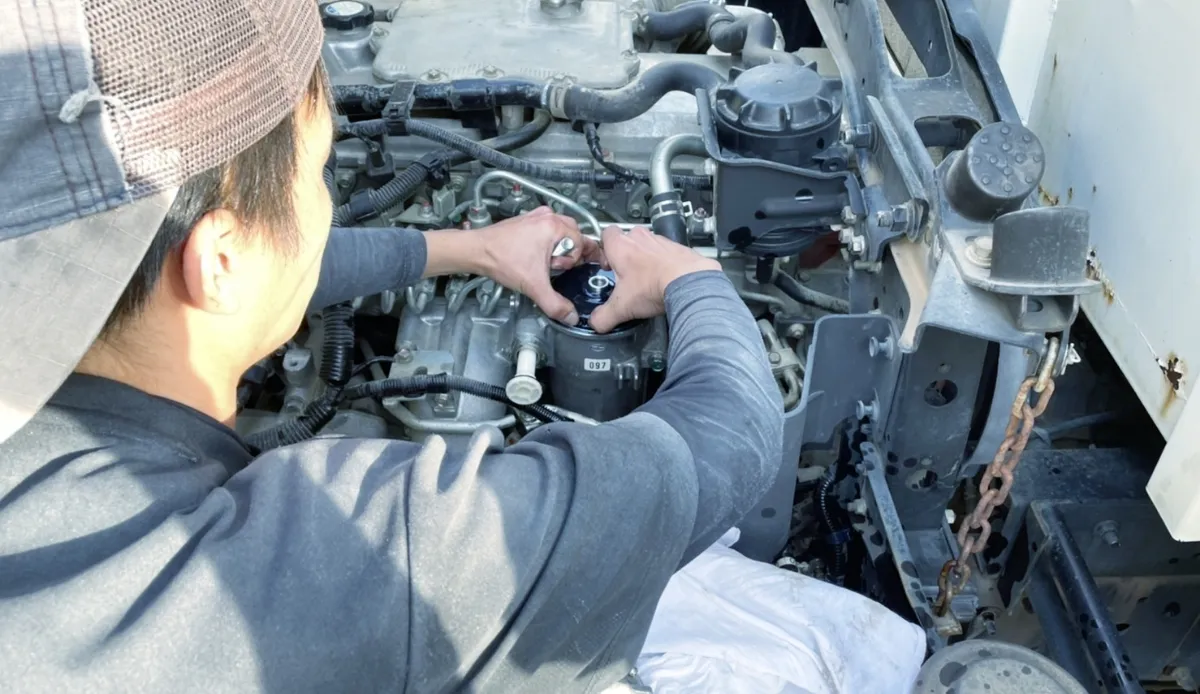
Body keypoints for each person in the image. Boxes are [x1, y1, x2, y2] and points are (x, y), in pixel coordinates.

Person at [0, 0, 784, 692]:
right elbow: (723, 446)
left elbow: (241, 267)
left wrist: (464, 249)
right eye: (319, 173)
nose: (325, 203)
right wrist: (690, 279)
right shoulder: (336, 564)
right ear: (222, 262)